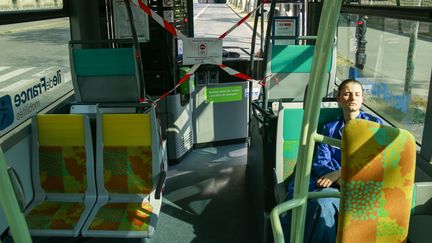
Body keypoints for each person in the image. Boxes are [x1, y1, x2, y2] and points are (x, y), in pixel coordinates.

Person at [283, 79, 383, 243]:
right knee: (322, 204)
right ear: (339, 99)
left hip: (360, 181)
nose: (352, 98)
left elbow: (377, 160)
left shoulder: (375, 125)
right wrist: (336, 179)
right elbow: (321, 162)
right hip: (331, 183)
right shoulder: (329, 129)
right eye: (347, 94)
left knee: (326, 204)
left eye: (357, 94)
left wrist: (340, 173)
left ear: (362, 99)